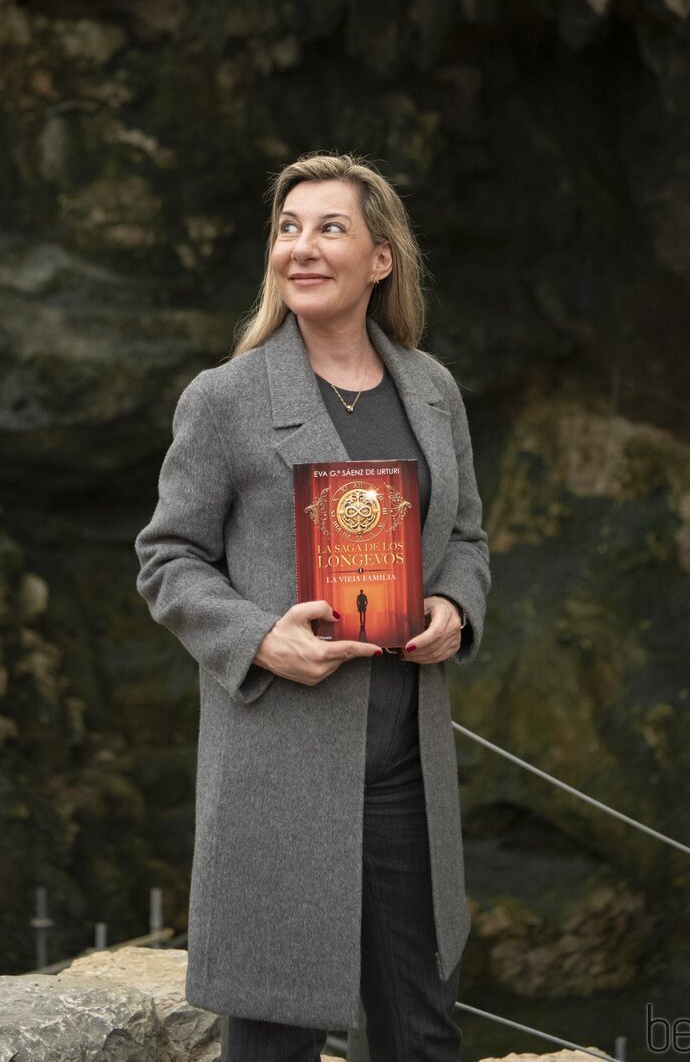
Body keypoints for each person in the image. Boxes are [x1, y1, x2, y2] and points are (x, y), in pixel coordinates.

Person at [135, 151, 491, 1062]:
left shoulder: (432, 389)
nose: (301, 247)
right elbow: (167, 559)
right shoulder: (224, 399)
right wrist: (259, 639)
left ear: (381, 259)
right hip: (282, 770)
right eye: (287, 229)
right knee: (274, 1042)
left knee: (423, 1031)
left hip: (408, 761)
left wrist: (453, 603)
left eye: (329, 227)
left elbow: (467, 540)